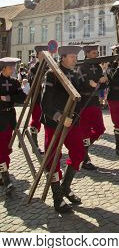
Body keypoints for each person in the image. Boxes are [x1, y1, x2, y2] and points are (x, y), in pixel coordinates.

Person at [41, 45, 84, 213]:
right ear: (63, 57)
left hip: (72, 123)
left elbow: (80, 96)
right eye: (72, 56)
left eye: (75, 57)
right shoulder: (52, 74)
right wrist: (59, 117)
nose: (75, 59)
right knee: (52, 159)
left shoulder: (74, 74)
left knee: (79, 153)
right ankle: (57, 198)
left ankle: (65, 187)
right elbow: (45, 103)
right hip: (55, 123)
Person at [77, 45, 107, 170]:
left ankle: (83, 148)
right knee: (84, 131)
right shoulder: (81, 67)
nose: (96, 55)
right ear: (87, 53)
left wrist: (103, 81)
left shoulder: (98, 67)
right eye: (94, 53)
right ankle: (85, 159)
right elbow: (80, 83)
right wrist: (89, 83)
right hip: (84, 102)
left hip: (94, 101)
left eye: (97, 53)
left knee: (100, 129)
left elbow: (102, 87)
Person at [0, 57, 27, 193]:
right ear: (3, 68)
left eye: (13, 67)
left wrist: (8, 98)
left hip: (10, 117)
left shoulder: (14, 82)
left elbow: (22, 98)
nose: (12, 70)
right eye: (10, 67)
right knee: (2, 149)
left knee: (7, 148)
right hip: (0, 118)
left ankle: (3, 172)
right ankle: (6, 180)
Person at [28, 45, 49, 154]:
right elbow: (33, 83)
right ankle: (34, 144)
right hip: (37, 100)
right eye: (42, 53)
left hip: (49, 100)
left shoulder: (49, 67)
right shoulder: (33, 68)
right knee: (36, 121)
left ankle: (49, 145)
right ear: (37, 55)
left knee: (49, 123)